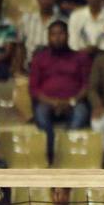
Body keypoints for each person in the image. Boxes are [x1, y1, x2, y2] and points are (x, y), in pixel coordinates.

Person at [30, 20, 93, 161]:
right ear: (48, 37)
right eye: (53, 34)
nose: (57, 37)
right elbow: (34, 89)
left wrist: (70, 102)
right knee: (40, 113)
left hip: (74, 102)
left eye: (61, 34)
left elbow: (87, 85)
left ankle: (65, 151)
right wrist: (53, 102)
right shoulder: (40, 58)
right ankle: (50, 154)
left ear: (68, 35)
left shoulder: (80, 58)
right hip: (47, 102)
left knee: (81, 112)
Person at [20, 0, 66, 67]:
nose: (45, 1)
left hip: (54, 65)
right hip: (30, 65)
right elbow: (20, 46)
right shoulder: (27, 19)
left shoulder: (64, 21)